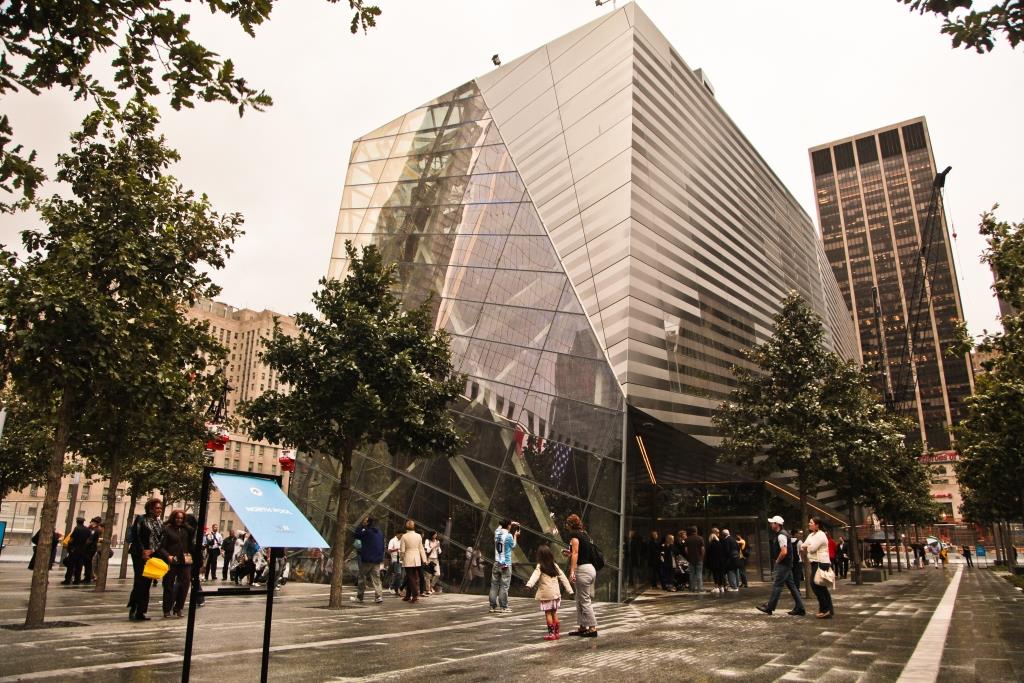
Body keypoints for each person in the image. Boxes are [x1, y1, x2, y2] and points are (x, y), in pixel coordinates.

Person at [756, 515, 806, 616]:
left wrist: (777, 561)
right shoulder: (783, 534)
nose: (771, 525)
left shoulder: (781, 535)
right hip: (786, 564)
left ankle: (770, 607)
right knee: (792, 586)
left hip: (783, 564)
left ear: (777, 524)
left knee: (777, 585)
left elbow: (784, 552)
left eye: (772, 523)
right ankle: (800, 608)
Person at [525, 544, 574, 641]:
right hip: (555, 594)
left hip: (546, 594)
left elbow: (534, 576)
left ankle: (551, 634)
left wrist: (529, 585)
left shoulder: (540, 566)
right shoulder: (555, 565)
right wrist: (570, 590)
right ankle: (557, 633)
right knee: (554, 613)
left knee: (548, 613)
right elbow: (563, 578)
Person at [128, 498, 164, 621]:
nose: (159, 510)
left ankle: (141, 611)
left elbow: (161, 540)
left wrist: (152, 551)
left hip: (152, 555)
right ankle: (134, 607)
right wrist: (143, 551)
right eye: (157, 508)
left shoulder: (160, 523)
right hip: (138, 554)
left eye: (160, 508)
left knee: (147, 582)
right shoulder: (141, 519)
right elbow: (136, 536)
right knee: (139, 581)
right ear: (150, 508)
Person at [565, 513, 599, 638]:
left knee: (584, 599)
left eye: (567, 523)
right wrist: (569, 553)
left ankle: (592, 627)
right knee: (579, 599)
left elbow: (576, 553)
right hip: (590, 568)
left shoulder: (574, 535)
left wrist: (572, 571)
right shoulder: (585, 535)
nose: (565, 526)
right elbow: (580, 552)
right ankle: (582, 626)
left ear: (570, 525)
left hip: (583, 569)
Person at [159, 509, 195, 618]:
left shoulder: (186, 530)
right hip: (172, 560)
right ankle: (167, 609)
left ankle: (179, 607)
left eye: (181, 518)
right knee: (168, 584)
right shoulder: (167, 529)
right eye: (177, 518)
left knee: (185, 584)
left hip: (185, 560)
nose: (179, 520)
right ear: (173, 518)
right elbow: (161, 547)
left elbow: (191, 540)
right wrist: (168, 556)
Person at [804, 517, 834, 619]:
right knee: (821, 586)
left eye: (811, 523)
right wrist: (807, 545)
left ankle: (825, 609)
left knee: (815, 584)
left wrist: (807, 546)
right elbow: (802, 545)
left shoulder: (821, 535)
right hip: (815, 562)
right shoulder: (811, 535)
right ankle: (827, 610)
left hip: (821, 562)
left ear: (817, 525)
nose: (809, 524)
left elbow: (812, 549)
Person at [488, 520, 519, 613]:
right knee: (504, 586)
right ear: (509, 526)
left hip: (497, 563)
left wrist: (509, 523)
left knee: (494, 585)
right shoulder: (509, 536)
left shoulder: (497, 533)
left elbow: (499, 528)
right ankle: (503, 607)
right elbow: (513, 546)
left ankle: (492, 606)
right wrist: (515, 536)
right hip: (505, 564)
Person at [353, 516, 385, 604]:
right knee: (376, 579)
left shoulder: (367, 532)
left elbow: (356, 535)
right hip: (377, 559)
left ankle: (360, 597)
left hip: (367, 559)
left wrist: (362, 526)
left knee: (362, 577)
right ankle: (379, 596)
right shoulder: (380, 533)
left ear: (368, 523)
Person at [399, 520, 428, 604]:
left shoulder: (404, 536)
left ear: (406, 527)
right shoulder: (418, 536)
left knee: (410, 577)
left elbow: (402, 550)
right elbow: (421, 549)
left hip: (408, 558)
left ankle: (415, 595)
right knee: (410, 578)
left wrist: (401, 558)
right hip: (417, 559)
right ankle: (408, 595)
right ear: (414, 526)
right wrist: (424, 559)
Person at [62, 517, 91, 585]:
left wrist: (69, 547)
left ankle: (67, 579)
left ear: (77, 521)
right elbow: (88, 541)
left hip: (74, 550)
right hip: (82, 550)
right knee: (79, 565)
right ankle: (77, 579)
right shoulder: (87, 530)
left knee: (71, 565)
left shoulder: (77, 528)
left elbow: (72, 539)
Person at [685, 526, 705, 593]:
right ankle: (700, 588)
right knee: (699, 574)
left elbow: (686, 550)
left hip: (691, 559)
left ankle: (692, 588)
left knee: (692, 574)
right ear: (696, 531)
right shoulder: (700, 538)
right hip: (699, 558)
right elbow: (702, 549)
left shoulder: (688, 539)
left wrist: (689, 556)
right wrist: (702, 557)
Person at [82, 517, 101, 584]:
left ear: (94, 522)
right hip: (90, 548)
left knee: (88, 563)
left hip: (90, 549)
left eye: (91, 521)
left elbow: (90, 540)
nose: (90, 522)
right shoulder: (92, 529)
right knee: (87, 563)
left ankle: (88, 578)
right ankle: (87, 577)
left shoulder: (95, 530)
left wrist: (84, 546)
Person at [387, 530, 404, 595]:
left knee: (401, 575)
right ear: (397, 534)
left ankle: (397, 589)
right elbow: (389, 550)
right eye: (400, 535)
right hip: (395, 559)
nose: (401, 536)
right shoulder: (392, 540)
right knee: (398, 574)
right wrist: (397, 549)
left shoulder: (402, 541)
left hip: (402, 559)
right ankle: (392, 587)